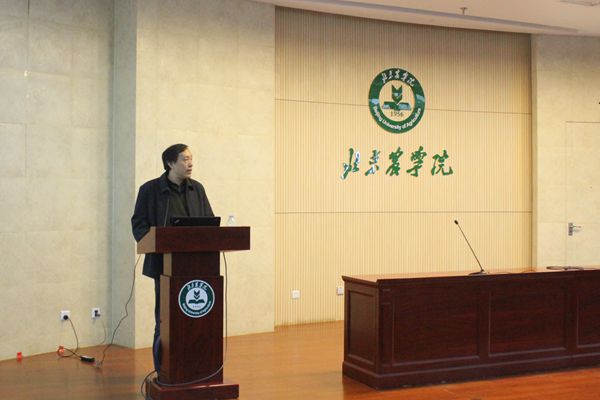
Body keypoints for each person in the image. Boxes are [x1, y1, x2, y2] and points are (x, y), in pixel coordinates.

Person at [131, 143, 214, 372]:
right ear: (170, 163)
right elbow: (139, 224)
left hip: (196, 268)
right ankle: (164, 370)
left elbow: (209, 222)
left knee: (195, 320)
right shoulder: (150, 190)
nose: (190, 163)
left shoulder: (197, 189)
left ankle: (195, 369)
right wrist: (153, 242)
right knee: (165, 320)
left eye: (191, 158)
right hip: (164, 267)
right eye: (185, 159)